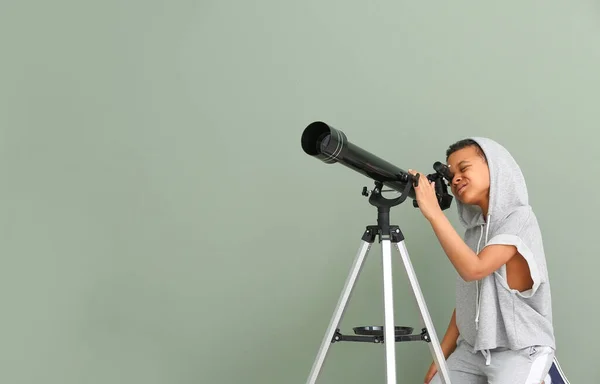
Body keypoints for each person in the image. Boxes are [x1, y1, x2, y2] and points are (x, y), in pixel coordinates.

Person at [408, 137, 556, 384]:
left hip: (520, 350)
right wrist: (442, 353)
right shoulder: (474, 233)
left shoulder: (519, 218)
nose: (455, 179)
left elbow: (474, 270)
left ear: (495, 167)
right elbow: (471, 298)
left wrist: (433, 212)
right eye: (450, 175)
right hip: (473, 350)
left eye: (464, 168)